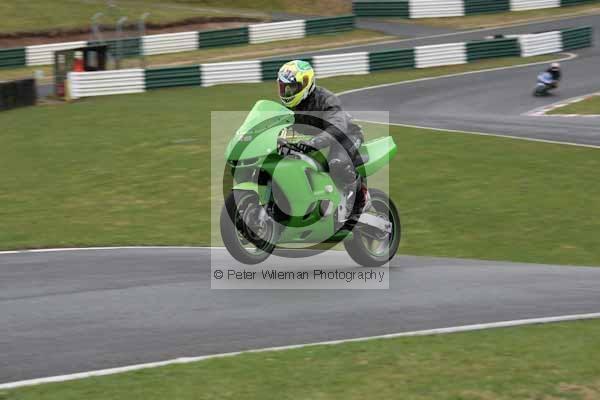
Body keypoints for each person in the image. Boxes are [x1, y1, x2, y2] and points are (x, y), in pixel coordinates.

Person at [276, 59, 368, 218]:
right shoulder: (290, 107)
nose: (287, 92)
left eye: (291, 88)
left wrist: (313, 142)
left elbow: (337, 127)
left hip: (346, 136)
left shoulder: (326, 99)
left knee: (336, 163)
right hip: (318, 141)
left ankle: (360, 199)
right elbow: (280, 125)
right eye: (284, 87)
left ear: (306, 84)